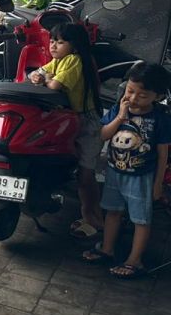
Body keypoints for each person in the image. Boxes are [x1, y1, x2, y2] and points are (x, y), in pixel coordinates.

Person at [82, 62, 171, 278]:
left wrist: (158, 184)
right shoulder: (118, 109)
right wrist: (121, 116)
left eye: (142, 95)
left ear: (157, 97)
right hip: (115, 172)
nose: (133, 99)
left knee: (141, 219)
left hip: (142, 178)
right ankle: (107, 248)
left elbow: (162, 156)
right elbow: (103, 135)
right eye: (130, 91)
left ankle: (135, 260)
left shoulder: (161, 120)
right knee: (113, 211)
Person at [27, 23, 103, 239]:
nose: (54, 46)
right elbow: (38, 73)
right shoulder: (59, 60)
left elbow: (54, 86)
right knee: (80, 173)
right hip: (74, 119)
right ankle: (89, 215)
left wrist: (44, 79)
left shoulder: (74, 60)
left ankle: (94, 220)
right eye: (52, 41)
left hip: (86, 122)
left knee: (86, 175)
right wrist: (37, 76)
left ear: (75, 45)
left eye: (60, 42)